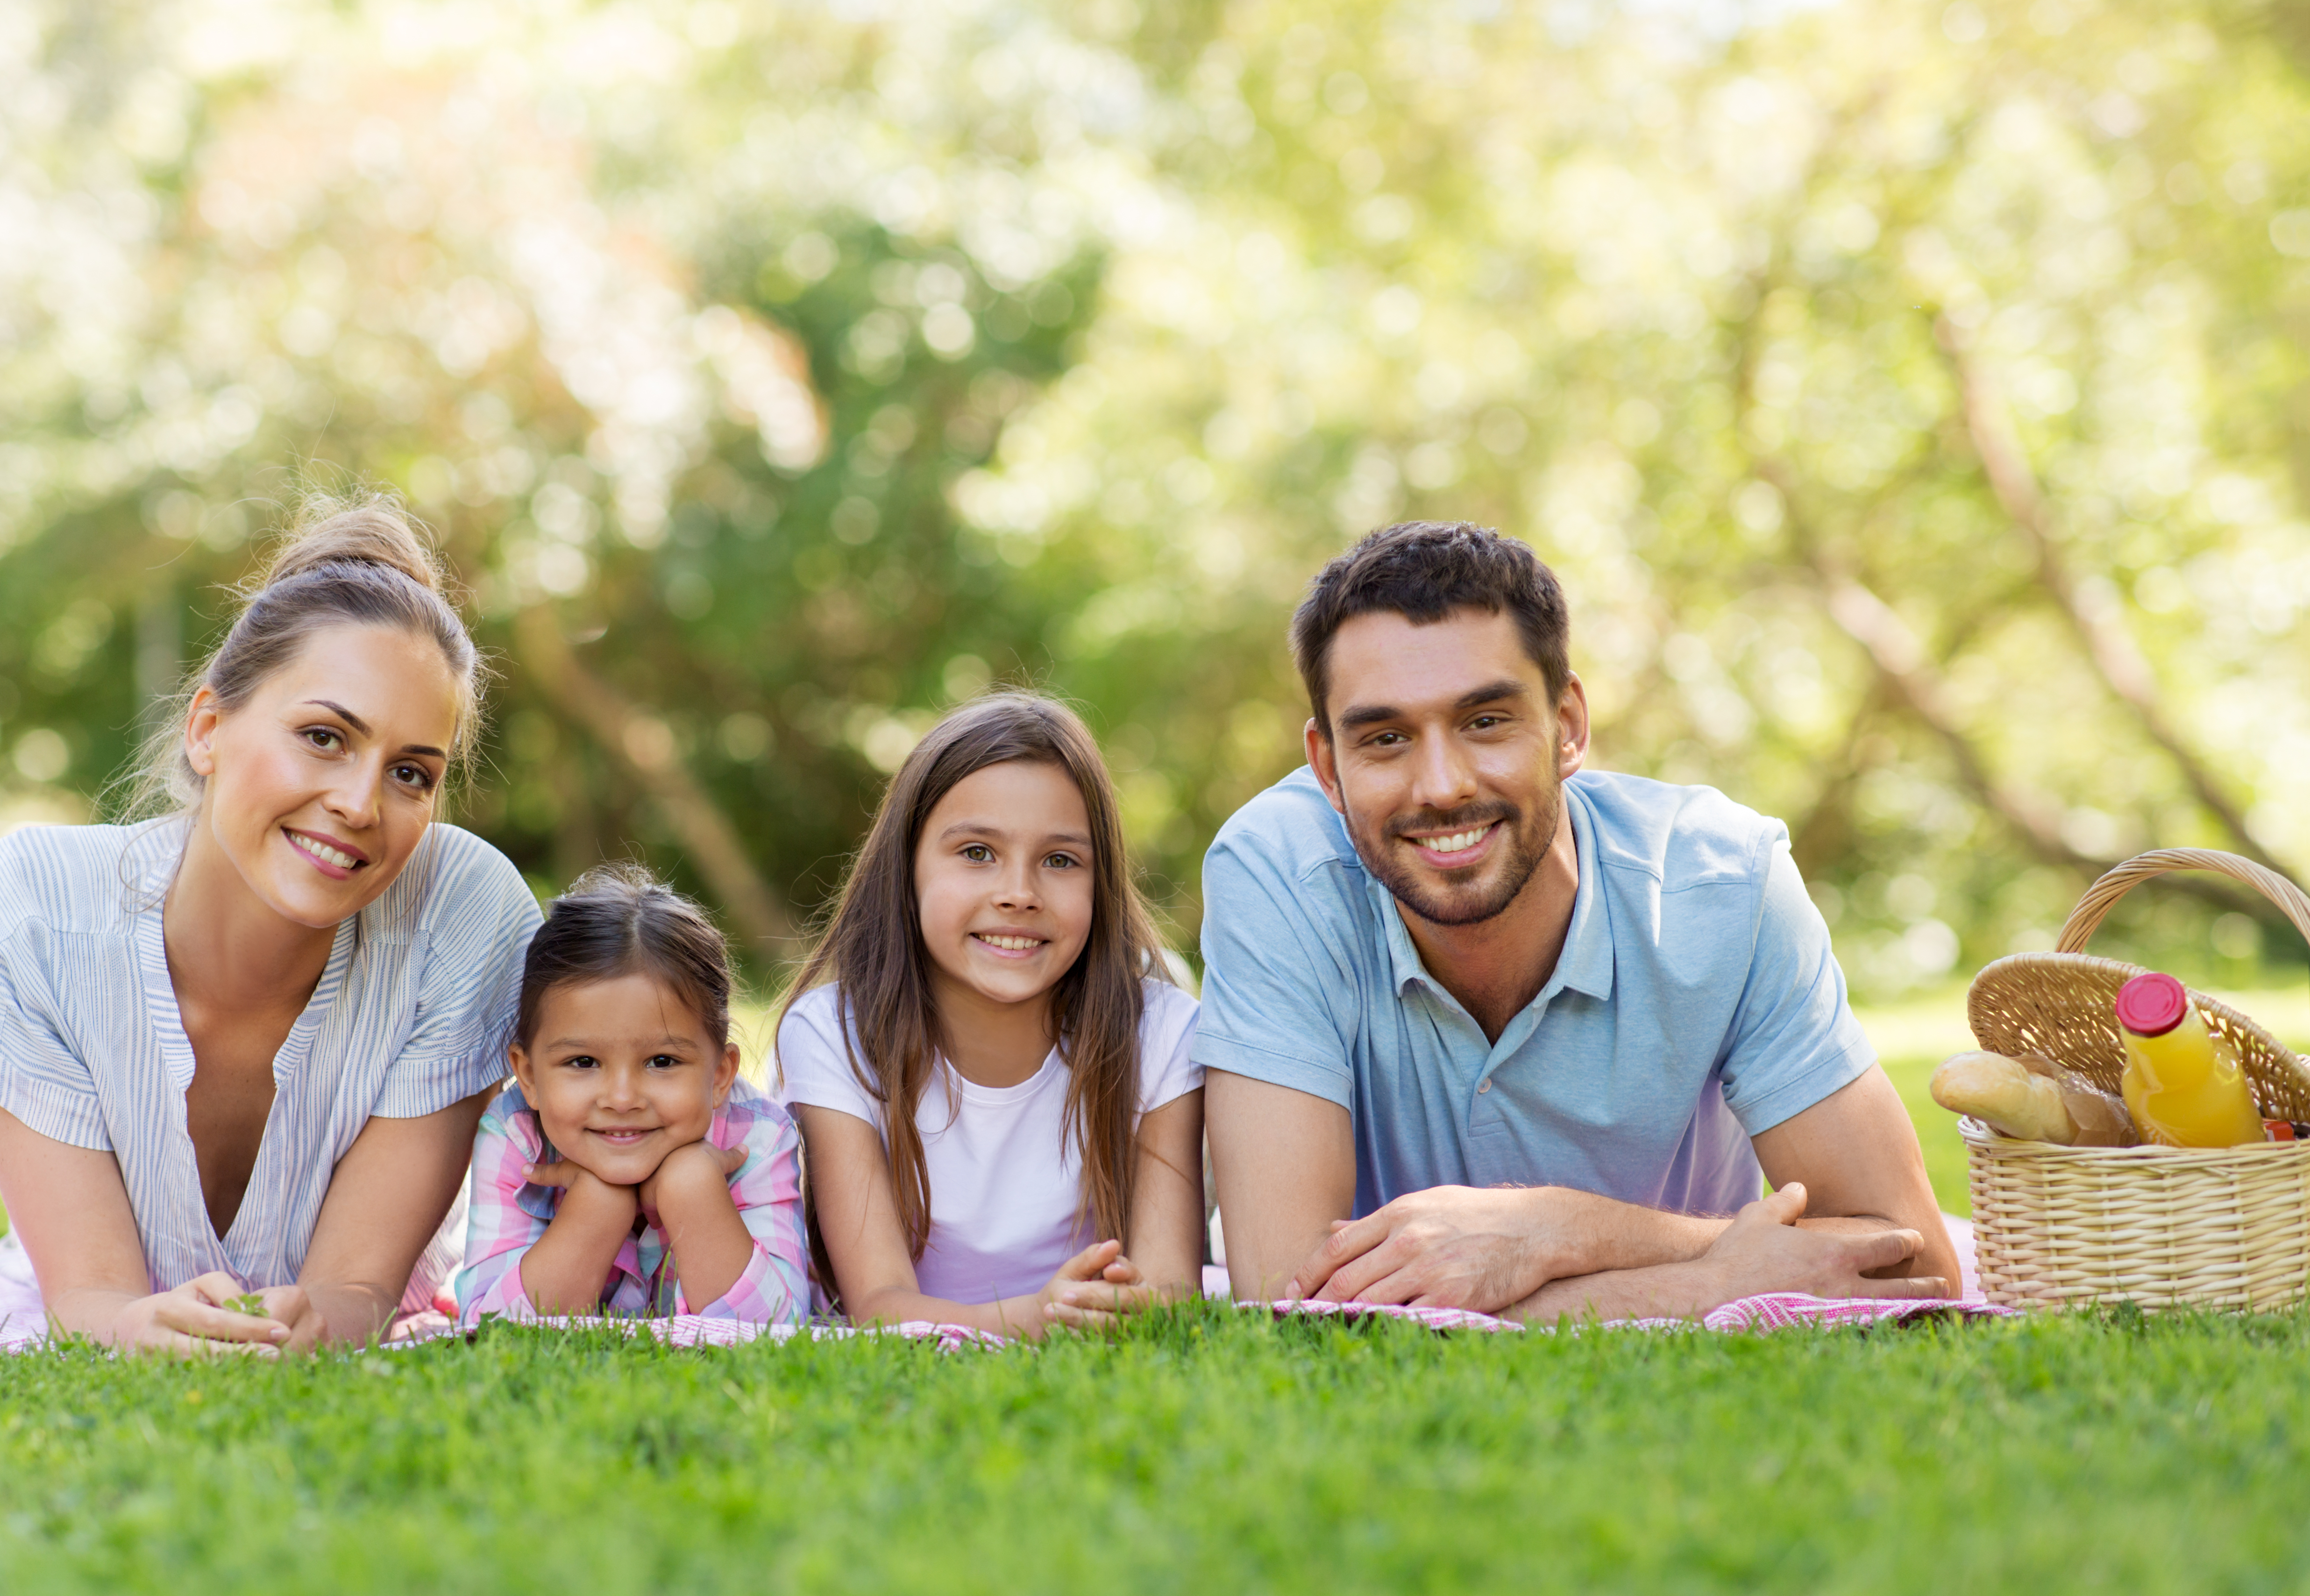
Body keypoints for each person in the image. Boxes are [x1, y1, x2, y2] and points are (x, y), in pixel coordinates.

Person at [1197, 521, 1960, 1320]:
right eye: (1385, 739)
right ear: (1326, 767)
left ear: (1567, 726)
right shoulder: (1276, 871)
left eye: (1485, 722)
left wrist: (1561, 1231)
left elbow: (1911, 1264)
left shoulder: (1723, 882)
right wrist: (1708, 1279)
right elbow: (1289, 1296)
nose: (1442, 785)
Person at [0, 497, 539, 1355]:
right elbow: (89, 1295)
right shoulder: (26, 915)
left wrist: (317, 1325)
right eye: (322, 736)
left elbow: (358, 1291)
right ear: (207, 729)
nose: (358, 803)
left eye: (411, 774)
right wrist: (127, 1326)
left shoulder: (462, 916)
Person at [775, 693, 1205, 1339]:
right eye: (977, 852)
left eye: (1059, 861)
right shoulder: (835, 1034)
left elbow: (1169, 1293)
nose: (1018, 894)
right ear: (907, 868)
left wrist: (1123, 1308)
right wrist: (1036, 1319)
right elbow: (879, 1307)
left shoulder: (1162, 1033)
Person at [457, 865, 808, 1325]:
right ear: (528, 1076)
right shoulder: (517, 1137)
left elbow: (779, 1331)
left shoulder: (757, 1137)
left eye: (662, 1062)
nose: (622, 1099)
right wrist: (596, 1208)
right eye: (583, 1063)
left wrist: (694, 1189)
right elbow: (492, 1332)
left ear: (721, 1074)